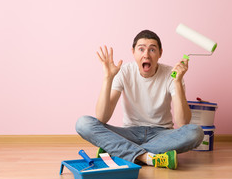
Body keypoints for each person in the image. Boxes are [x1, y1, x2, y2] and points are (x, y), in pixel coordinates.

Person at [75, 30, 204, 170]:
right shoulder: (124, 72)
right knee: (83, 123)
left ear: (160, 53)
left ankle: (119, 152)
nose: (146, 54)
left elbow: (182, 122)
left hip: (162, 134)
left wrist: (177, 82)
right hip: (130, 133)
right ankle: (146, 157)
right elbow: (102, 117)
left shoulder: (172, 75)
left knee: (195, 132)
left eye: (152, 49)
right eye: (141, 49)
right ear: (133, 52)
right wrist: (108, 78)